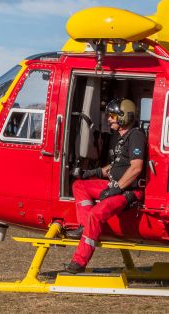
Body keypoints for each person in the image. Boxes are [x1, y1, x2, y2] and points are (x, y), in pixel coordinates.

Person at [65, 98, 146, 274]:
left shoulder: (136, 136)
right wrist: (90, 173)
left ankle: (79, 262)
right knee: (79, 185)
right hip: (115, 185)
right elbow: (115, 167)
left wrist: (116, 189)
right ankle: (85, 226)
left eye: (112, 116)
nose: (109, 119)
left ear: (124, 117)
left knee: (96, 214)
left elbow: (136, 167)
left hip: (128, 192)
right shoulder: (122, 139)